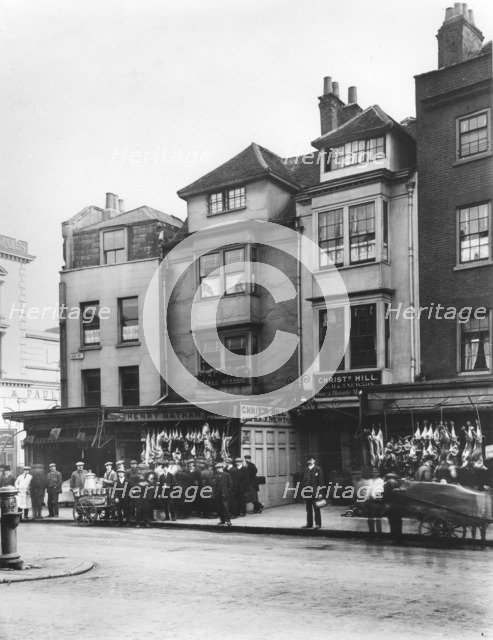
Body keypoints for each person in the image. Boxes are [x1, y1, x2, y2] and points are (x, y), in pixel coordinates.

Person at [301, 455, 325, 529]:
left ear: (314, 461)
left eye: (311, 460)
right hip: (307, 492)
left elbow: (321, 482)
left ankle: (318, 524)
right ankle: (309, 524)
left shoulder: (318, 469)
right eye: (308, 460)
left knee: (316, 508)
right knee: (308, 509)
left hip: (315, 492)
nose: (309, 462)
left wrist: (320, 493)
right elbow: (304, 481)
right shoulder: (306, 469)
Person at [383, 472, 404, 544]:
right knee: (398, 523)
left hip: (390, 506)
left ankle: (394, 539)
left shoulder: (387, 484)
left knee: (392, 523)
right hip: (397, 506)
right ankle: (398, 539)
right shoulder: (396, 484)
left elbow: (385, 496)